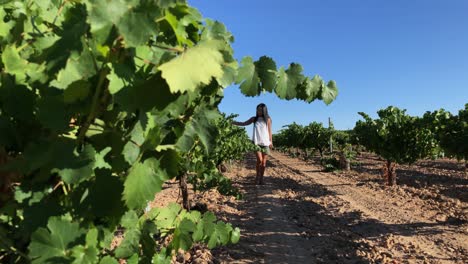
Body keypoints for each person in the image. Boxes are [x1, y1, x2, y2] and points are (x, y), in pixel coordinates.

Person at [233, 103, 273, 185]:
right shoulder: (254, 119)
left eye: (260, 110)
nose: (258, 111)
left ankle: (261, 179)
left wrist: (271, 142)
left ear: (264, 111)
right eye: (257, 110)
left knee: (264, 162)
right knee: (259, 160)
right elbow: (244, 123)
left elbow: (269, 131)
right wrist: (234, 123)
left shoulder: (268, 119)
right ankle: (257, 177)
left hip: (265, 142)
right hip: (256, 142)